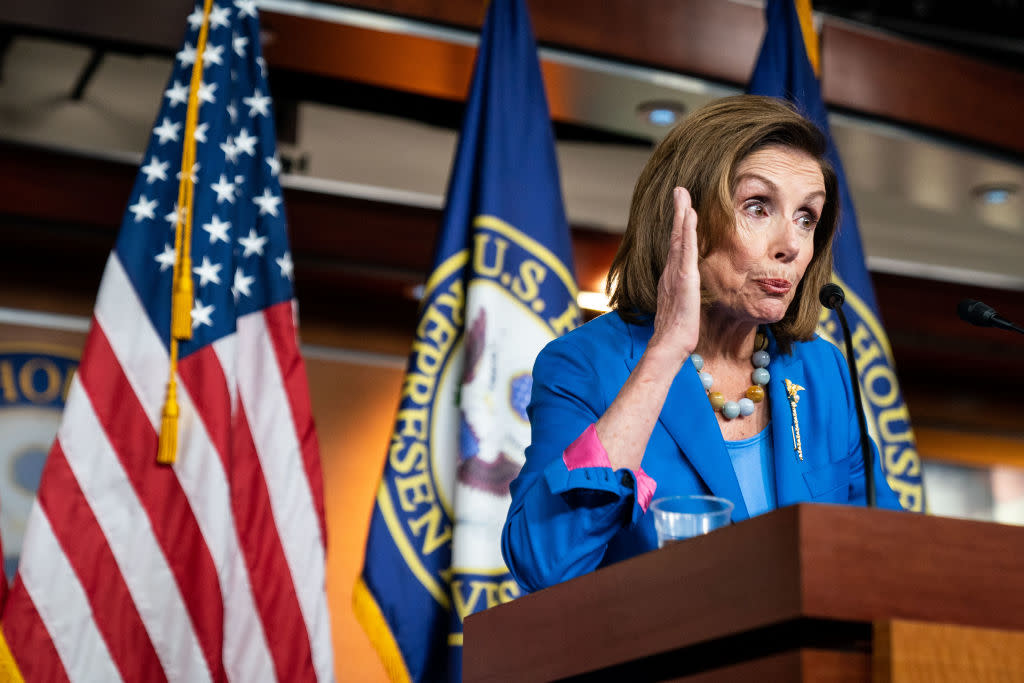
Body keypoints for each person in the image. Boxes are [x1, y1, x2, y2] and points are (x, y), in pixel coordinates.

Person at [501, 95, 905, 593]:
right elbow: (544, 562)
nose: (792, 244)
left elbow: (887, 552)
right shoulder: (586, 366)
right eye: (758, 207)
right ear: (683, 220)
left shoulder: (823, 372)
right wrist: (665, 353)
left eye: (807, 217)